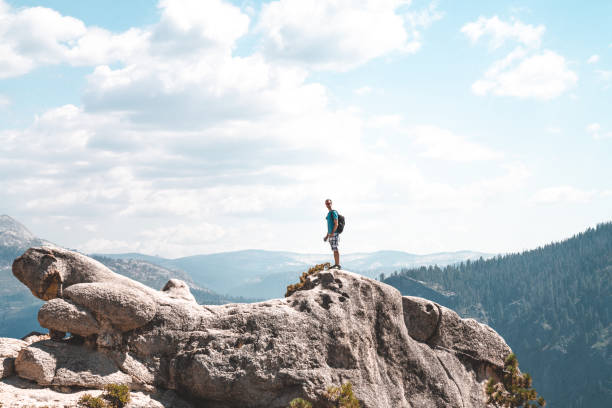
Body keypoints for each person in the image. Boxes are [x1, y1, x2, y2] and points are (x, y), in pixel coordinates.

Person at [323, 199, 341, 269]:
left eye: (329, 203)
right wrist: (327, 236)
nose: (328, 205)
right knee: (334, 249)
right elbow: (329, 226)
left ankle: (337, 264)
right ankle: (336, 264)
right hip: (331, 234)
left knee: (335, 248)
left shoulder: (333, 212)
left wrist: (333, 233)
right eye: (327, 203)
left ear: (331, 204)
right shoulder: (328, 214)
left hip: (334, 233)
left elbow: (336, 224)